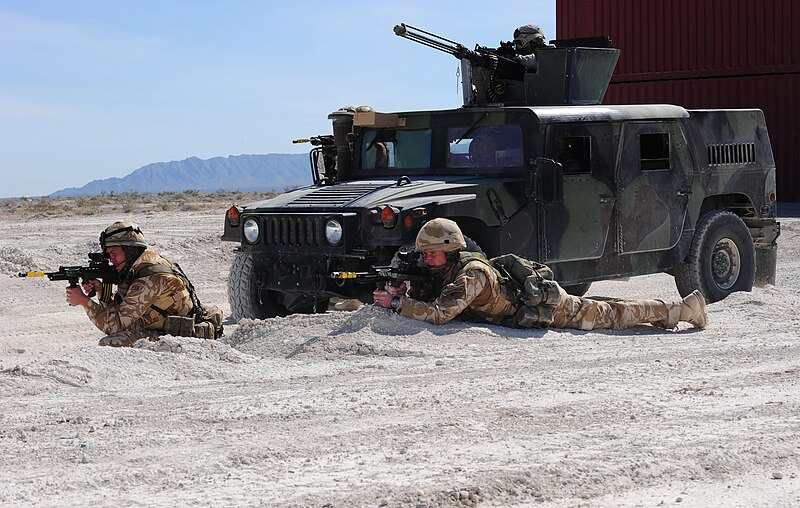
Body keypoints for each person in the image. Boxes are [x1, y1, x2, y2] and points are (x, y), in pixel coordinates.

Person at [373, 218, 707, 330]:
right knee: (608, 306)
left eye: (431, 254)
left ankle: (681, 310)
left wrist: (398, 303)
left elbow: (441, 314)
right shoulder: (448, 270)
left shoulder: (472, 274)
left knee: (610, 314)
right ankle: (672, 311)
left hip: (551, 309)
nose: (426, 260)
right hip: (528, 307)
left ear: (450, 251)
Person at [65, 220, 221, 347]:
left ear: (130, 251)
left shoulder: (149, 278)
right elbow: (121, 310)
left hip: (181, 335)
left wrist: (84, 302)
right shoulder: (140, 266)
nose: (111, 259)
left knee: (110, 343)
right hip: (162, 325)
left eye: (114, 253)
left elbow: (114, 326)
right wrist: (100, 290)